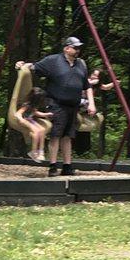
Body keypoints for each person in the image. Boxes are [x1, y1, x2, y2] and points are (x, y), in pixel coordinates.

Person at [15, 36, 96, 177]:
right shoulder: (53, 61)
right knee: (56, 135)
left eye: (78, 47)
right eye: (75, 47)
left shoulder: (81, 65)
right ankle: (52, 166)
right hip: (56, 104)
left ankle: (67, 166)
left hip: (73, 105)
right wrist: (21, 65)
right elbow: (34, 67)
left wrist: (92, 103)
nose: (77, 50)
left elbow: (87, 86)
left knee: (68, 136)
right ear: (66, 48)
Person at [15, 87, 53, 162]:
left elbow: (35, 112)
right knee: (36, 132)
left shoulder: (34, 105)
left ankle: (41, 151)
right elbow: (18, 113)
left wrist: (45, 114)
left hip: (30, 119)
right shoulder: (27, 104)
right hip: (25, 120)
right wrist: (21, 119)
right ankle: (34, 151)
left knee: (42, 130)